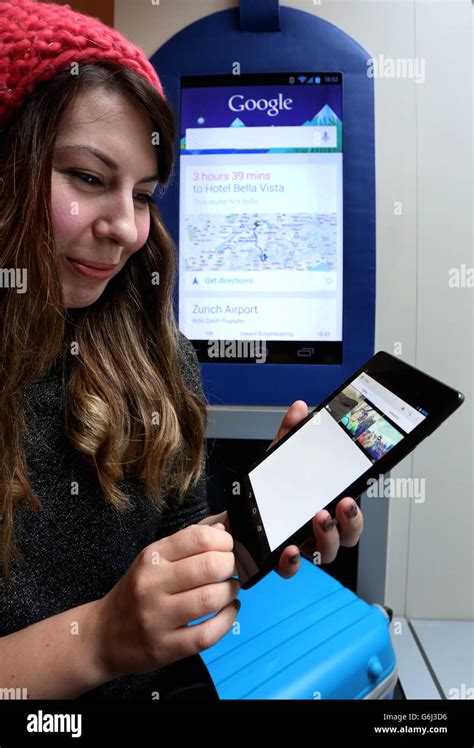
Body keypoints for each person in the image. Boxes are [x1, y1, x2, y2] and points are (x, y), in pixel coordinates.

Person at [0, 0, 364, 701]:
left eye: (142, 194)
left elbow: (177, 558)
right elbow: (119, 630)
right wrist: (102, 640)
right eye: (87, 177)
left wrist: (257, 534)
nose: (128, 230)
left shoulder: (152, 356)